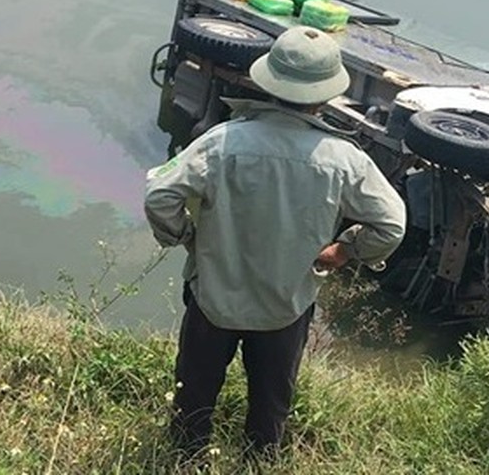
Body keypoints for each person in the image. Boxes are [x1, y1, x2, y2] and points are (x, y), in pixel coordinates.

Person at [144, 27, 406, 461]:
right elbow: (391, 224)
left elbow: (159, 196)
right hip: (287, 306)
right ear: (325, 96)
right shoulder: (343, 159)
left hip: (213, 298)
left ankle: (185, 460)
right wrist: (346, 250)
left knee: (194, 395)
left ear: (267, 82)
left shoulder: (222, 141)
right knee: (270, 409)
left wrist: (186, 237)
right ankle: (259, 463)